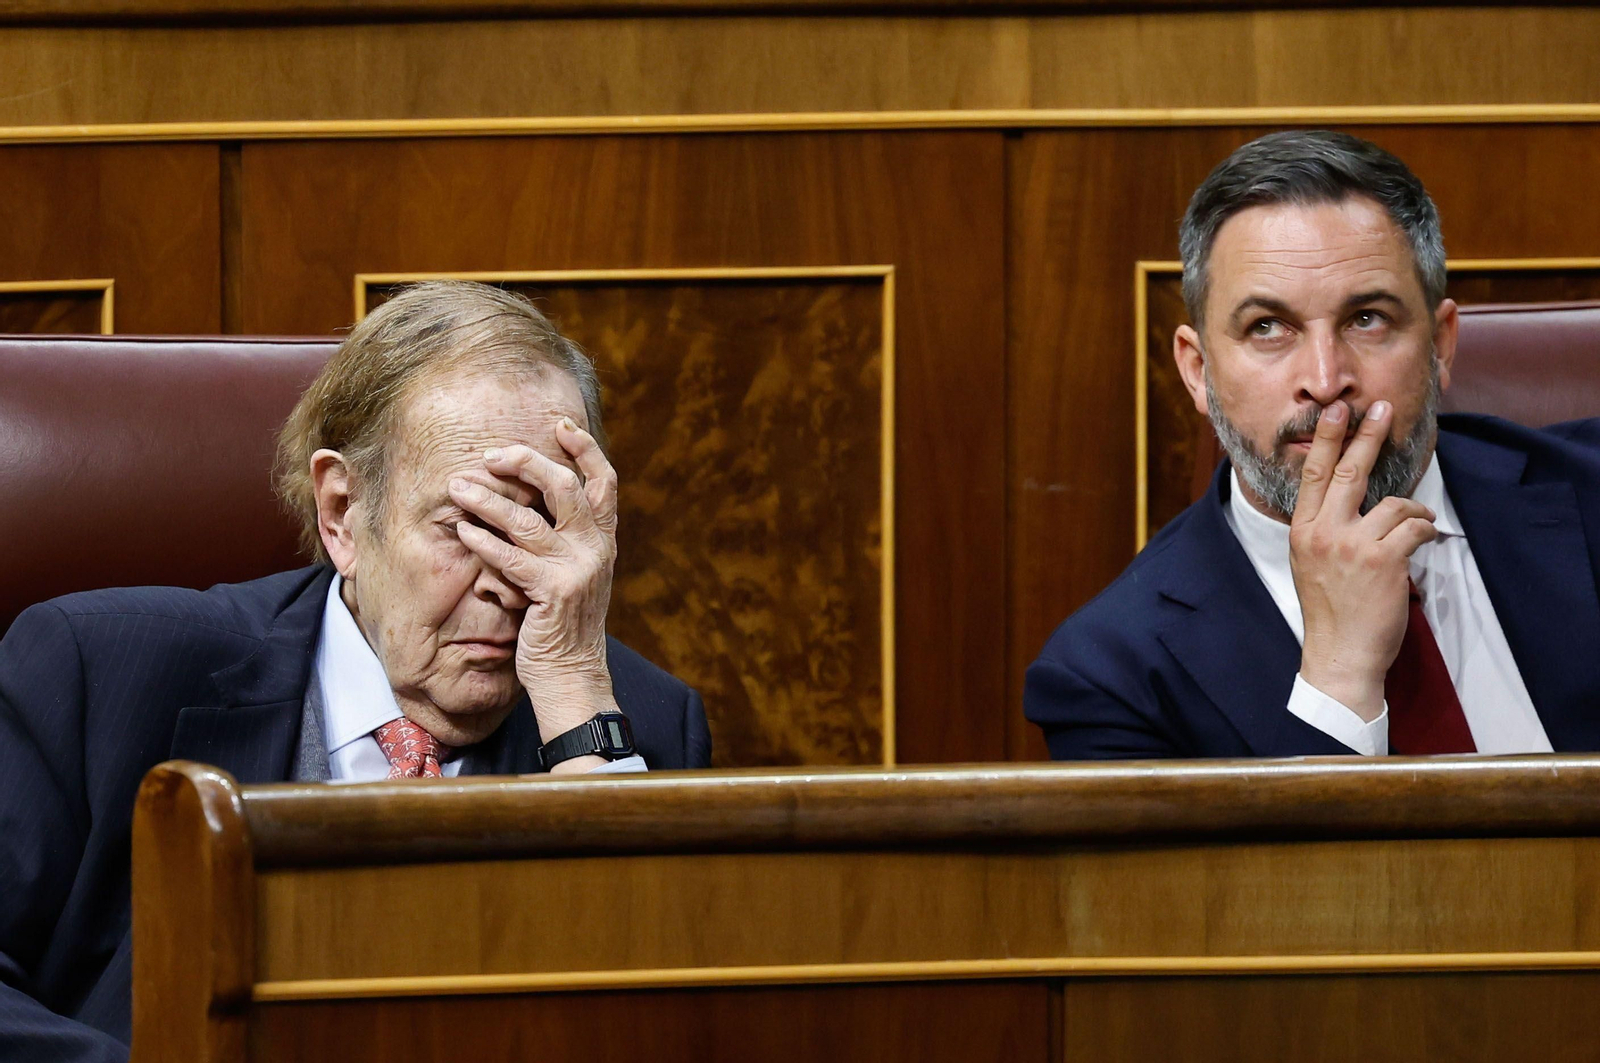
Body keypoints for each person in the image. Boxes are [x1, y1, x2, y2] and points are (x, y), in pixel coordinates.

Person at [0, 281, 712, 1061]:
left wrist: (578, 702)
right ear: (342, 512)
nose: (509, 580)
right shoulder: (98, 675)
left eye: (542, 523)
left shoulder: (635, 729)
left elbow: (667, 1023)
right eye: (471, 527)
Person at [1026, 130, 1600, 760]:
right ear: (1197, 371)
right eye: (1267, 327)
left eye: (1367, 318)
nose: (1326, 383)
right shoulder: (1111, 678)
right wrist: (1340, 679)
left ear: (1440, 345)